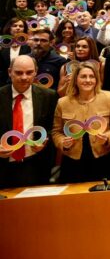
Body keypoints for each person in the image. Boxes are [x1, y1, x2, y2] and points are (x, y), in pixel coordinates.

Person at [51, 62, 110, 183]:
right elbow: (56, 132)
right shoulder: (63, 103)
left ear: (96, 79)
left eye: (92, 76)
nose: (88, 80)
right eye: (83, 76)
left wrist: (108, 137)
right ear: (76, 80)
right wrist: (62, 142)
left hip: (103, 160)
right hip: (73, 162)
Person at [0, 55, 58, 188]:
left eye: (29, 72)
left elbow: (53, 128)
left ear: (36, 72)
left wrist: (45, 141)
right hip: (2, 165)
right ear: (9, 72)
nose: (24, 77)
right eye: (19, 73)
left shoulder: (49, 96)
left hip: (35, 164)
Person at [0, 18, 32, 85]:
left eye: (21, 26)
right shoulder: (2, 44)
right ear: (9, 28)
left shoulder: (29, 44)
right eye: (14, 26)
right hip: (3, 82)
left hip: (24, 80)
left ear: (24, 29)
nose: (18, 28)